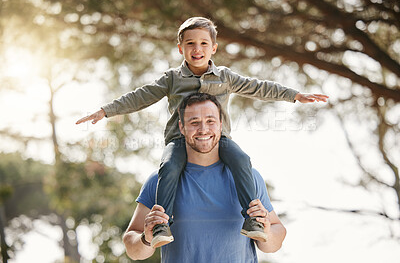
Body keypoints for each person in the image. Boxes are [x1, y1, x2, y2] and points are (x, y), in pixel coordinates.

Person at [76, 17, 328, 248]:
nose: (197, 49)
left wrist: (294, 95)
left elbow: (259, 87)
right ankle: (162, 224)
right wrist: (105, 111)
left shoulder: (225, 77)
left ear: (213, 48)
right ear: (180, 48)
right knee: (169, 166)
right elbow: (140, 96)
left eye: (203, 43)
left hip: (221, 140)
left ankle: (253, 220)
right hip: (179, 140)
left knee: (241, 160)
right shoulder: (172, 78)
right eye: (190, 44)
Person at [123, 93, 287, 262]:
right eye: (194, 122)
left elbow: (275, 241)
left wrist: (266, 231)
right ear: (181, 127)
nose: (203, 129)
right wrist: (146, 238)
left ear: (221, 124)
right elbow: (133, 249)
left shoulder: (250, 177)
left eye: (210, 121)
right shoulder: (158, 181)